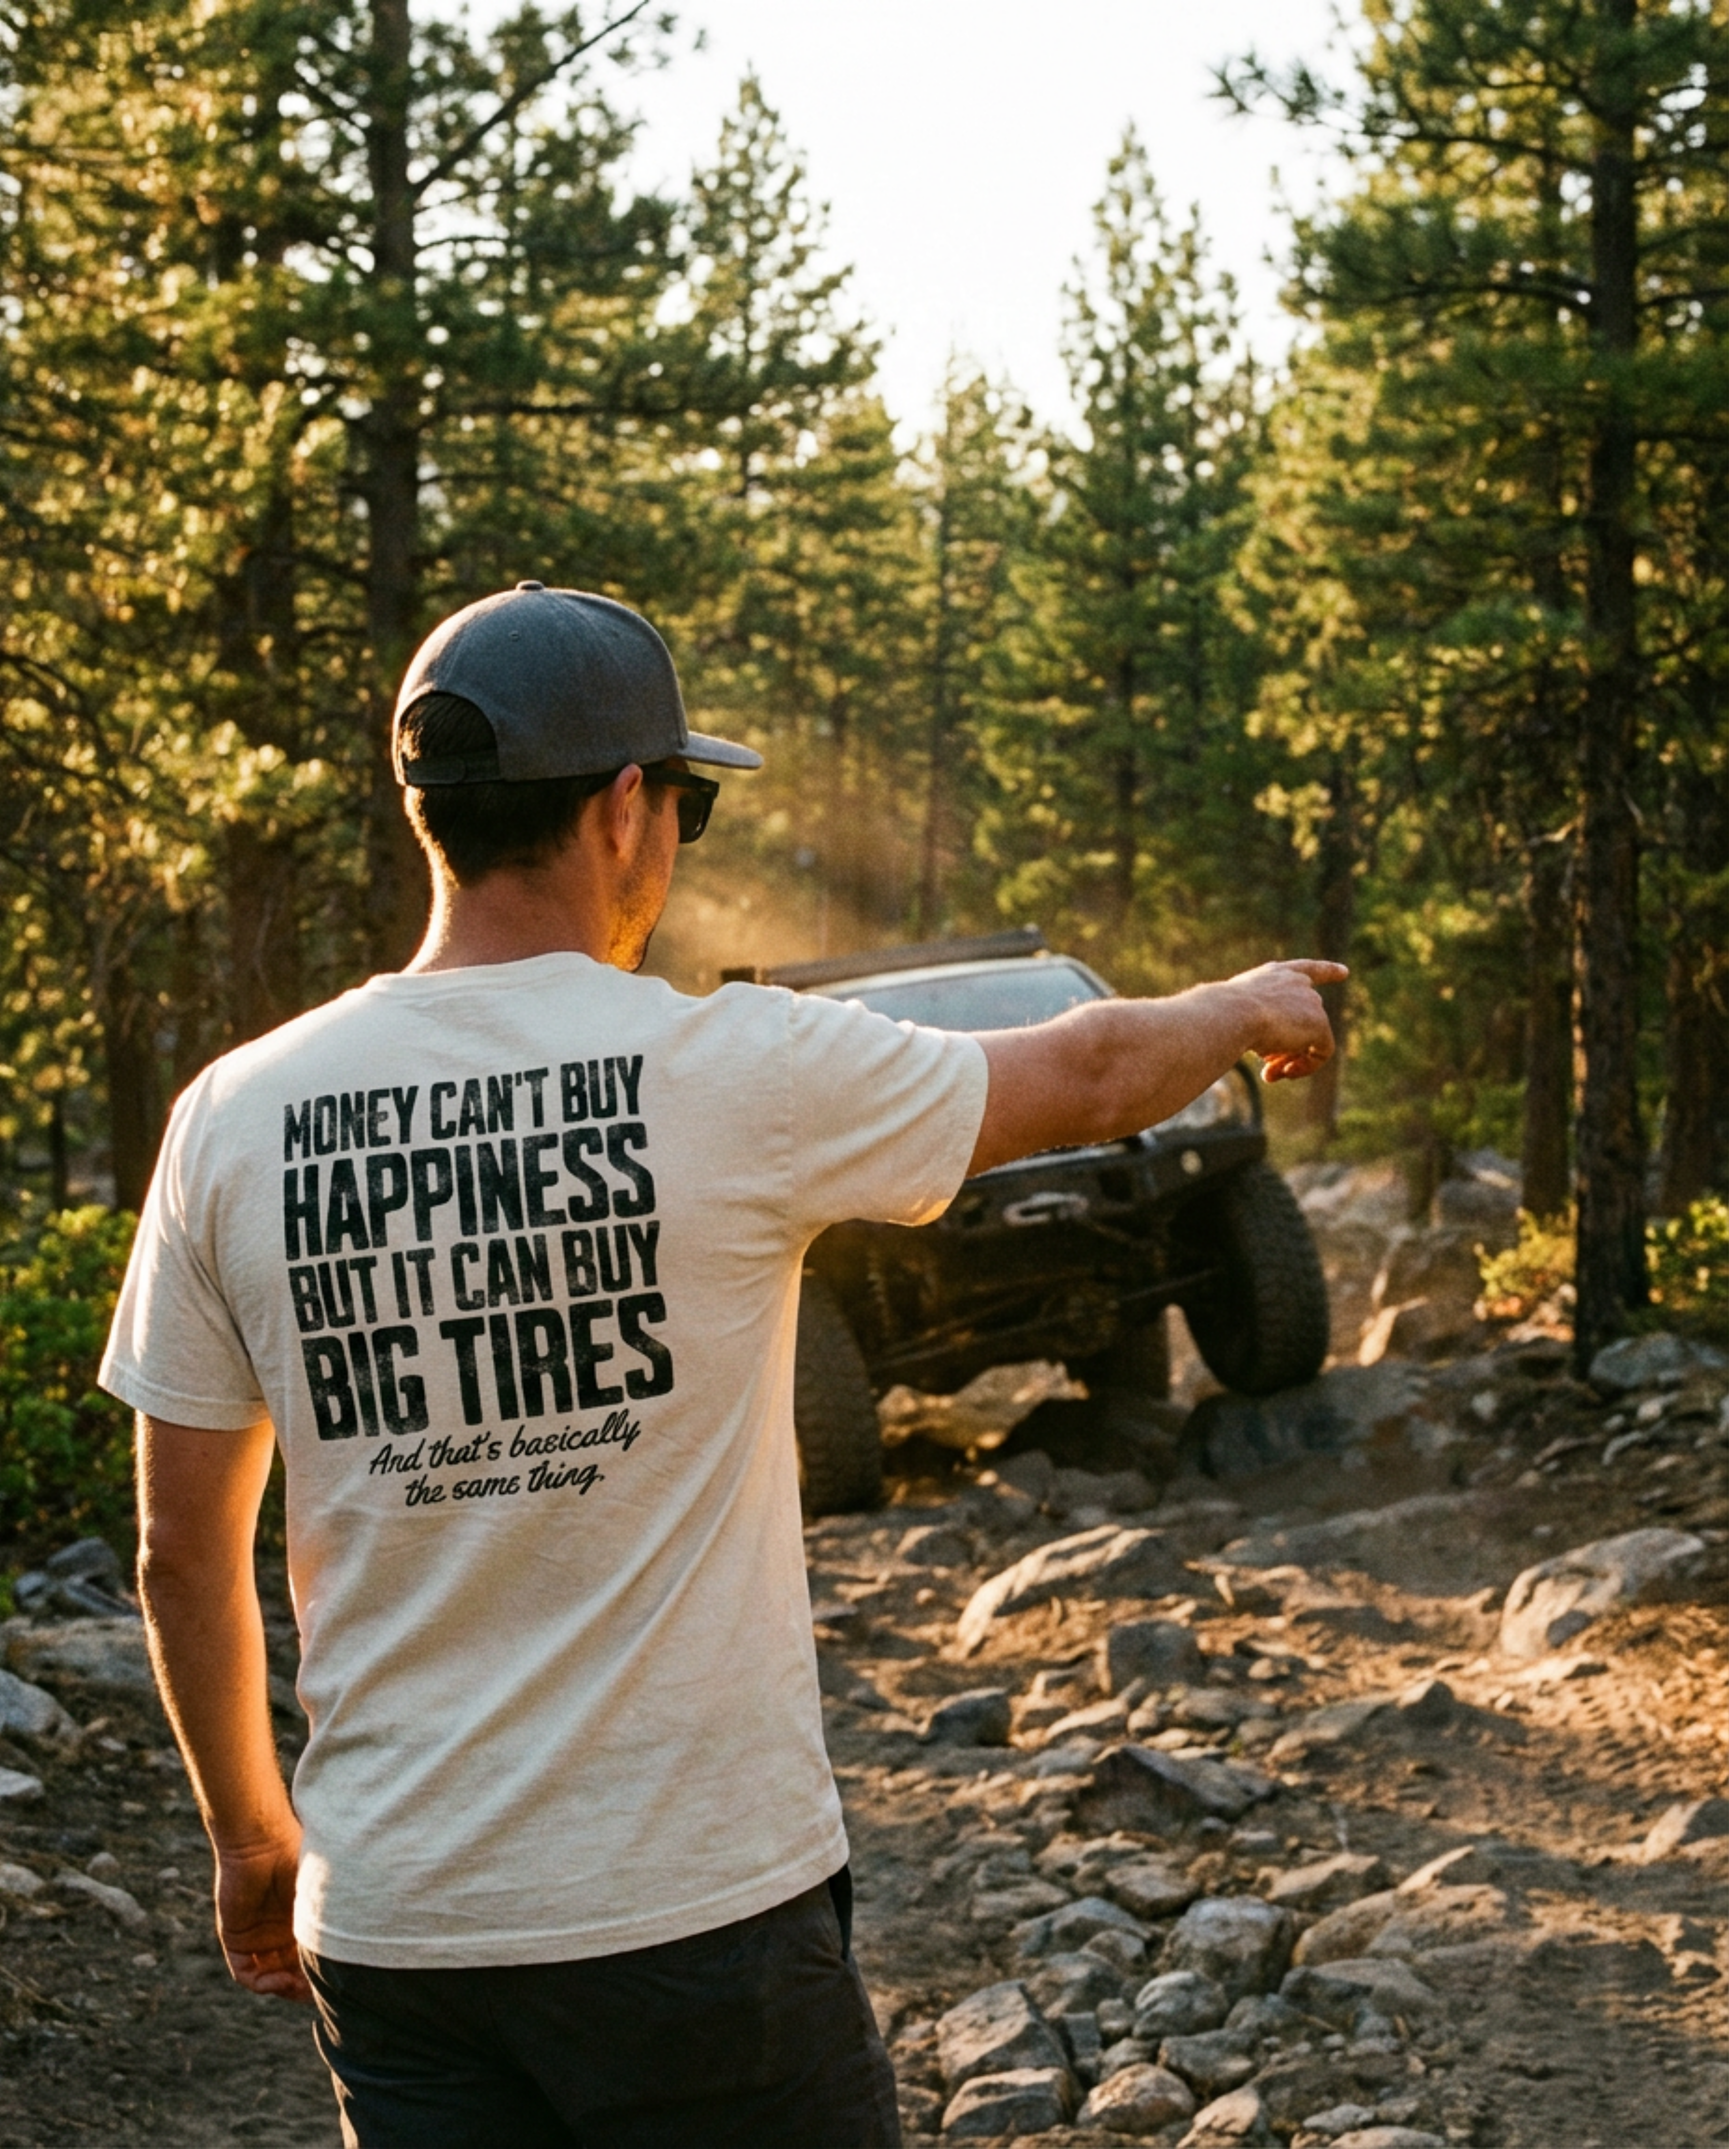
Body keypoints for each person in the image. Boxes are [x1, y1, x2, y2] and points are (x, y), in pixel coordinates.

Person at [100, 582, 1343, 2149]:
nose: (678, 842)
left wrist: (253, 1842)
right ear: (625, 809)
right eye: (684, 801)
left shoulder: (231, 1115)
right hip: (693, 1914)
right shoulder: (729, 1070)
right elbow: (1093, 1069)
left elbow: (177, 1553)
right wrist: (1248, 1003)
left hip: (401, 1930)